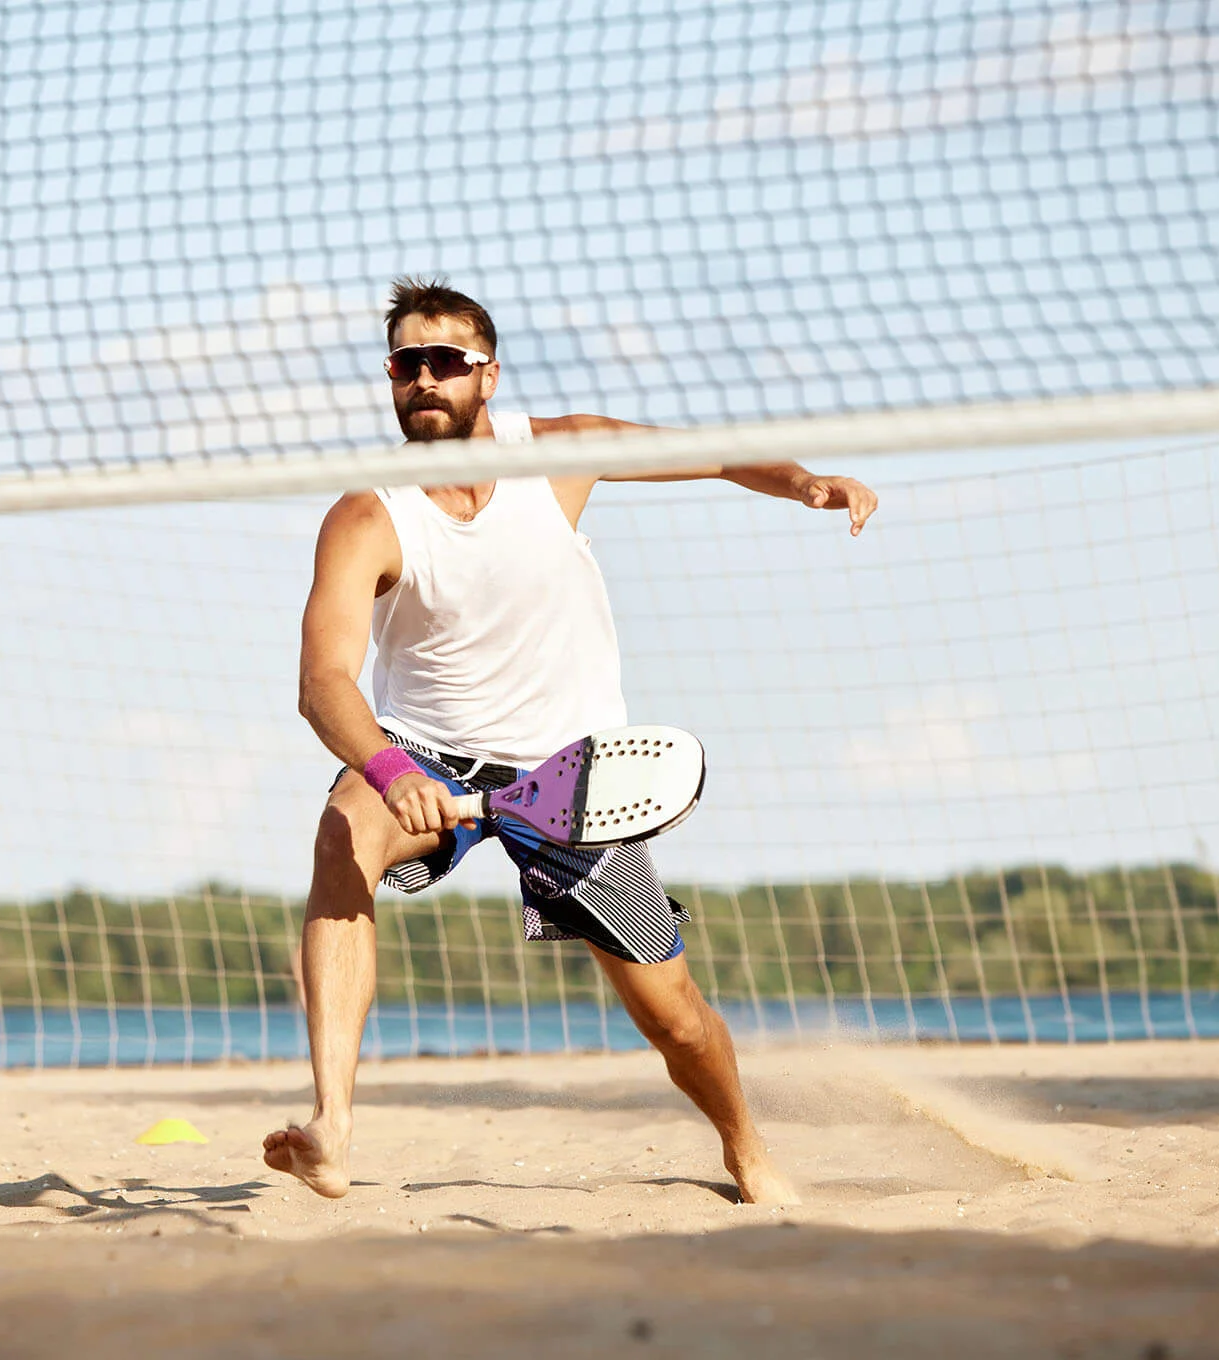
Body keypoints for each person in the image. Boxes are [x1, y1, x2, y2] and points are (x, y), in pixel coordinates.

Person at [262, 277, 877, 1205]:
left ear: (490, 375)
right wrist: (388, 769)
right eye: (406, 363)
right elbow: (322, 683)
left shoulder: (556, 455)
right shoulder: (368, 513)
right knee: (342, 830)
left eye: (447, 362)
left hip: (573, 772)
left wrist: (798, 479)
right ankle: (333, 1126)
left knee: (674, 1019)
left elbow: (708, 455)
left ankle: (745, 1144)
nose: (424, 378)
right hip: (427, 752)